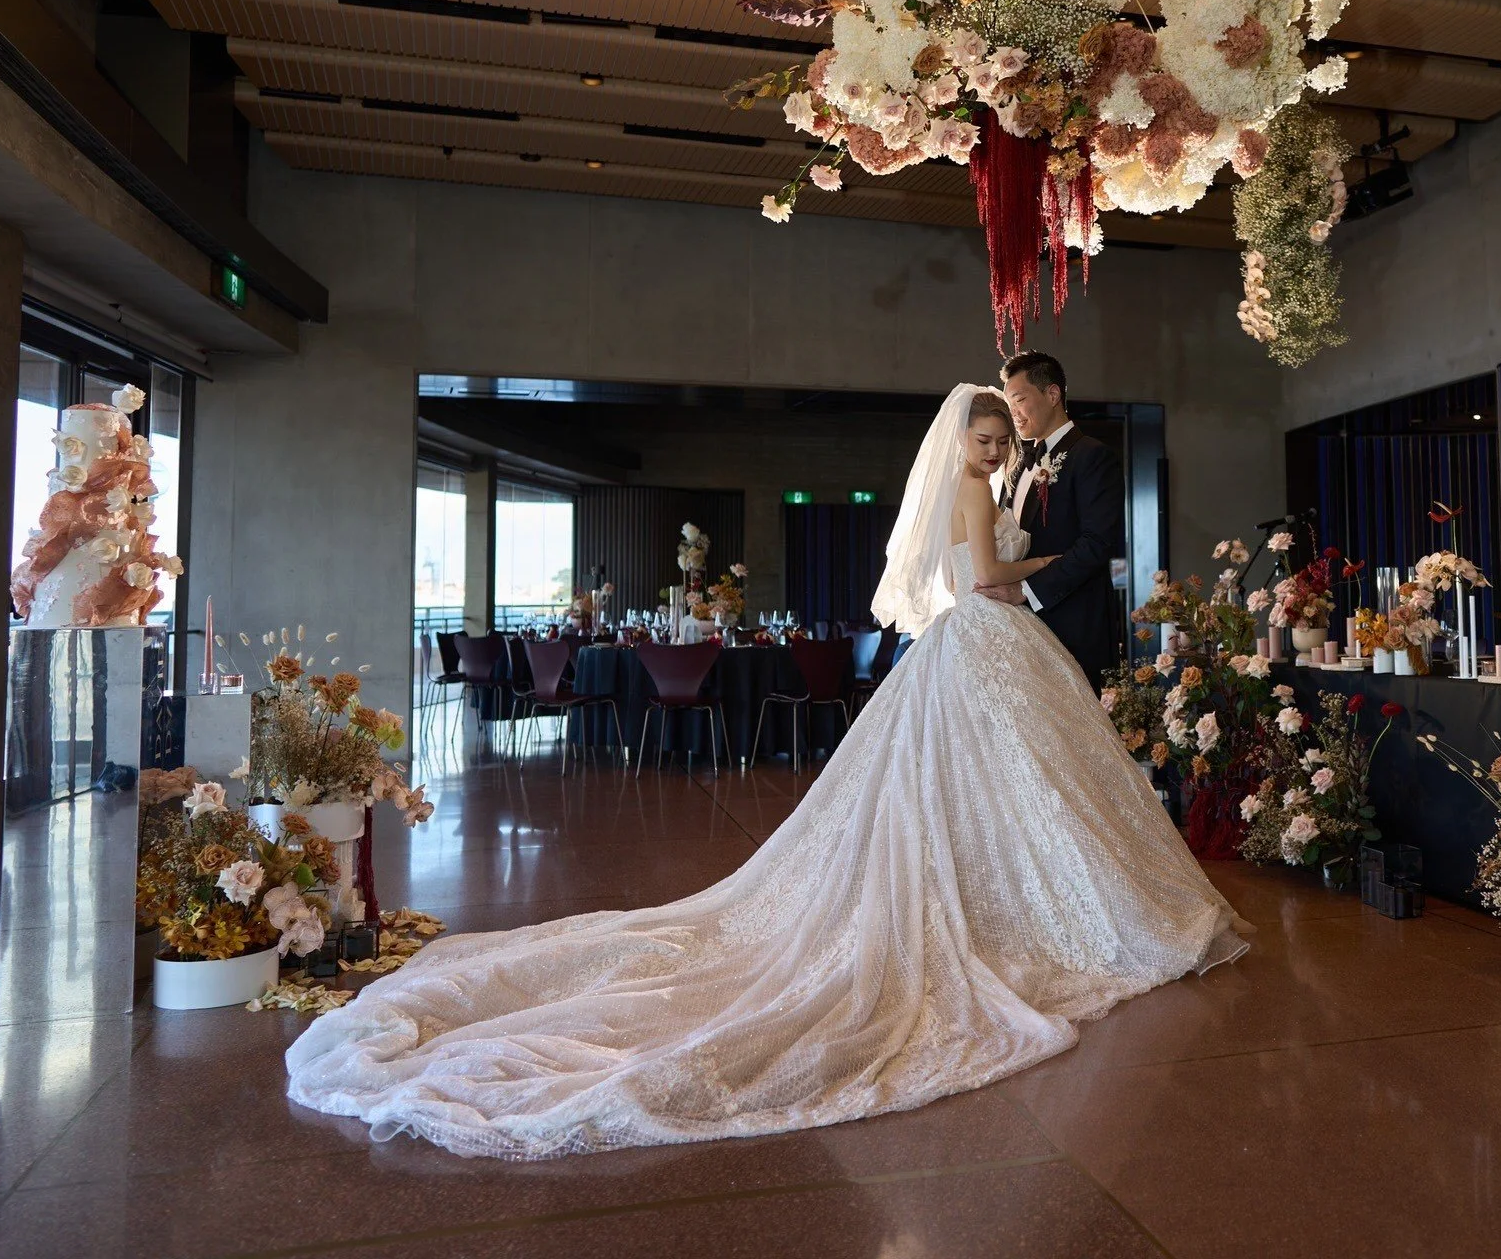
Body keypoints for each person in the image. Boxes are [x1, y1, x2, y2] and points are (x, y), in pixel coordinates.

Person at [283, 384, 1247, 1159]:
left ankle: (1027, 896)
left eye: (1003, 439)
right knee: (1018, 780)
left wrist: (1009, 549)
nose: (997, 451)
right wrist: (1026, 559)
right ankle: (1045, 903)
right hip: (991, 630)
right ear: (965, 439)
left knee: (1010, 782)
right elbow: (987, 577)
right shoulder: (969, 487)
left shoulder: (975, 488)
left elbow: (971, 566)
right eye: (988, 437)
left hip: (982, 641)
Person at [979, 351, 1126, 689]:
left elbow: (1098, 543)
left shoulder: (1091, 456)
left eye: (1019, 400)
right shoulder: (1016, 465)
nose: (1012, 413)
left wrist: (1026, 590)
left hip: (1073, 624)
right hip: (1021, 631)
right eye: (1008, 403)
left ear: (1052, 394)